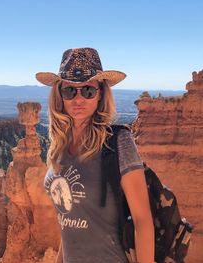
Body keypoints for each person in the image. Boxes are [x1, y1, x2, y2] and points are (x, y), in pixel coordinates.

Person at [36, 48, 155, 263]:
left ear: (100, 93)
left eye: (88, 90)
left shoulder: (117, 142)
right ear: (59, 95)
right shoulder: (59, 148)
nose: (78, 99)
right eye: (70, 91)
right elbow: (69, 220)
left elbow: (142, 220)